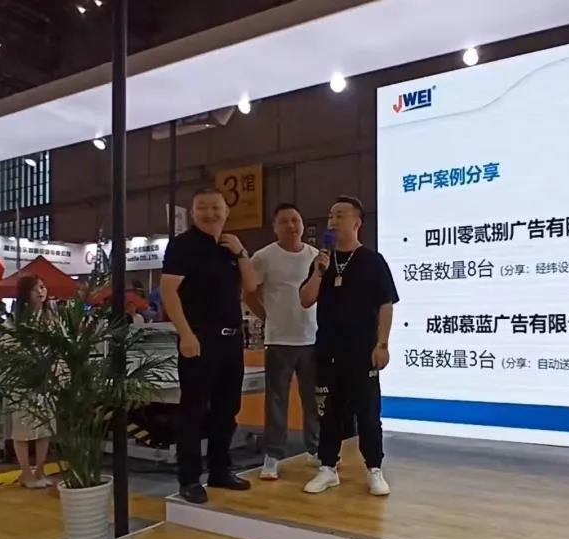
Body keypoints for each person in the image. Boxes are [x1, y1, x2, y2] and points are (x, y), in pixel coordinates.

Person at [160, 188, 259, 504]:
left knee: (227, 410)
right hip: (200, 340)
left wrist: (241, 253)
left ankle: (220, 469)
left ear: (226, 211)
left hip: (232, 341)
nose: (209, 213)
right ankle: (189, 478)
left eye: (215, 207)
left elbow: (251, 286)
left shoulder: (230, 247)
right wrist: (186, 335)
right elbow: (168, 291)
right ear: (193, 212)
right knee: (193, 411)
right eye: (202, 207)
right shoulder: (183, 246)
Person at [300, 195, 399, 496]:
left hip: (362, 350)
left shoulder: (372, 261)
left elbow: (386, 304)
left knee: (367, 412)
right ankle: (328, 468)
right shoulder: (322, 261)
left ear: (357, 222)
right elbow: (305, 300)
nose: (333, 221)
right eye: (331, 215)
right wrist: (319, 272)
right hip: (328, 350)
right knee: (328, 411)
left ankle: (374, 469)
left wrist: (382, 344)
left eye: (340, 215)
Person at [244, 203, 321, 480]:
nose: (291, 225)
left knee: (313, 399)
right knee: (276, 401)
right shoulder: (264, 257)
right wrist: (266, 317)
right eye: (285, 221)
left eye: (295, 220)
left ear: (302, 224)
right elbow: (249, 292)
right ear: (275, 227)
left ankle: (315, 449)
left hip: (312, 338)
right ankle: (273, 455)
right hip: (279, 340)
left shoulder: (315, 256)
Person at [11, 275, 55, 489]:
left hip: (46, 379)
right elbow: (9, 346)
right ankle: (26, 473)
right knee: (23, 428)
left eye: (43, 287)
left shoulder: (50, 318)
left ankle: (40, 470)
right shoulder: (16, 320)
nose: (41, 291)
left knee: (45, 427)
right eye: (35, 288)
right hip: (23, 379)